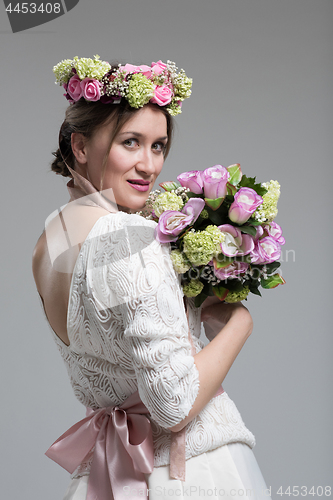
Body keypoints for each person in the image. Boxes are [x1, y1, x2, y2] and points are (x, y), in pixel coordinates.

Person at [32, 57, 272, 500]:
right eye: (130, 142)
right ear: (80, 147)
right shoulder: (130, 237)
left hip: (108, 472)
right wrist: (240, 323)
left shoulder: (51, 237)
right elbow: (173, 406)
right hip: (187, 475)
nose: (148, 164)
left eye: (158, 145)